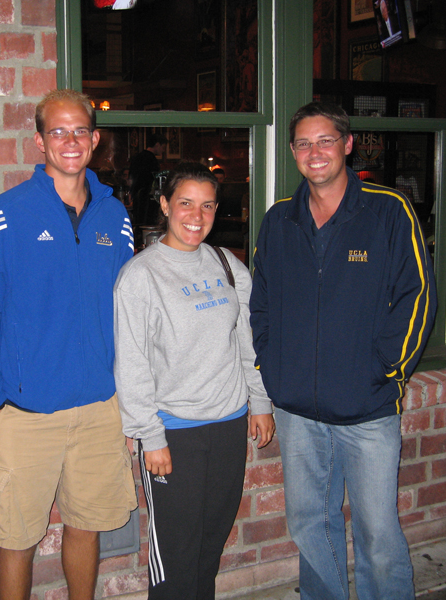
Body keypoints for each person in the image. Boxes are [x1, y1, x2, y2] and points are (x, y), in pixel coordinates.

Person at [0, 88, 137, 600]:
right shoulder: (5, 214)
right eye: (57, 131)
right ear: (40, 141)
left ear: (95, 140)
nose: (70, 140)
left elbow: (129, 310)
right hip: (25, 412)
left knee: (87, 526)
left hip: (100, 409)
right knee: (17, 540)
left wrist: (128, 397)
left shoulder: (113, 216)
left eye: (80, 130)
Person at [250, 102, 436, 600]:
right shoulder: (279, 222)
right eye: (304, 144)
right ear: (293, 152)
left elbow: (418, 296)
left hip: (368, 409)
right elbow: (261, 304)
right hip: (298, 413)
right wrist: (275, 371)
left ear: (347, 144)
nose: (315, 153)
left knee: (377, 535)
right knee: (311, 524)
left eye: (326, 141)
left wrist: (386, 372)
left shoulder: (387, 211)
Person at [114, 162, 275, 599]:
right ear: (165, 205)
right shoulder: (141, 276)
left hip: (227, 425)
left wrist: (259, 402)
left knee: (210, 540)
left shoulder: (227, 265)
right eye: (185, 203)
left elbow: (248, 342)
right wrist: (151, 436)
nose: (196, 215)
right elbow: (131, 363)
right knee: (175, 553)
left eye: (207, 206)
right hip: (174, 433)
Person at [129, 133, 168, 226]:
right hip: (147, 200)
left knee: (138, 223)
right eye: (163, 147)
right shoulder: (152, 160)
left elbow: (131, 178)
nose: (163, 150)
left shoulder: (137, 157)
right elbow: (154, 183)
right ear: (157, 144)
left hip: (137, 197)